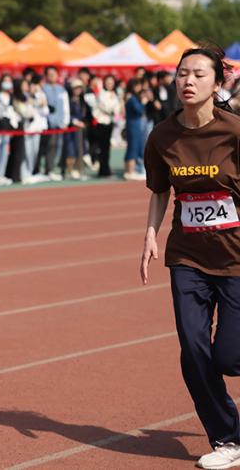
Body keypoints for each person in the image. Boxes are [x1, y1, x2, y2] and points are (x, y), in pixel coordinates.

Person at [140, 46, 240, 470]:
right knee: (194, 350)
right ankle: (229, 438)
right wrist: (151, 234)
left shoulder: (234, 131)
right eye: (183, 73)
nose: (189, 81)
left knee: (229, 357)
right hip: (188, 256)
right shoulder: (162, 136)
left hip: (236, 258)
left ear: (217, 83)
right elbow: (159, 189)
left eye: (199, 74)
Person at [40, 66, 69, 181]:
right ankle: (49, 169)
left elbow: (65, 106)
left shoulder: (61, 89)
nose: (52, 76)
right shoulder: (43, 89)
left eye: (54, 74)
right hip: (48, 124)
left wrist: (65, 121)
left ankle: (55, 168)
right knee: (50, 146)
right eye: (50, 74)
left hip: (60, 123)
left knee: (59, 146)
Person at [92, 74, 121, 178]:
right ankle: (103, 170)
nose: (110, 85)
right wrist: (113, 105)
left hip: (110, 122)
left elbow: (117, 109)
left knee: (107, 147)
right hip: (101, 123)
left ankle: (106, 169)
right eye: (108, 83)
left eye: (111, 83)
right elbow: (105, 107)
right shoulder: (102, 94)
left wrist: (116, 118)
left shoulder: (114, 94)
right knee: (102, 147)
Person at [123, 78, 149, 181]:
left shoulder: (130, 97)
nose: (139, 88)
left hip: (133, 124)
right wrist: (143, 102)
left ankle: (128, 171)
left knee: (132, 147)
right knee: (133, 148)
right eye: (137, 86)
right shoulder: (132, 98)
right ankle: (130, 171)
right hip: (134, 125)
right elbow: (139, 110)